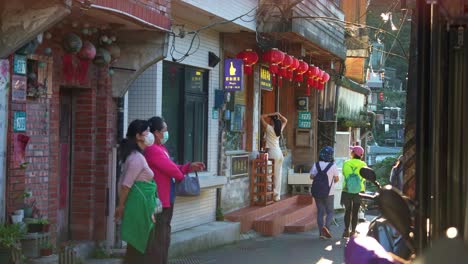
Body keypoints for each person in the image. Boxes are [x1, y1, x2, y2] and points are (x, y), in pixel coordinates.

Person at [144, 116, 205, 264]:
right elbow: (171, 169)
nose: (166, 133)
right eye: (164, 130)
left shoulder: (161, 148)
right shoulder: (152, 150)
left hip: (167, 197)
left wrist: (188, 167)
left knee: (164, 234)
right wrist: (182, 174)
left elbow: (172, 167)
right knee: (161, 235)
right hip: (161, 200)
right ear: (156, 133)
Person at [115, 119, 157, 263]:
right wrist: (120, 207)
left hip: (141, 206)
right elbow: (126, 185)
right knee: (140, 246)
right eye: (147, 132)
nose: (150, 135)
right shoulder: (137, 158)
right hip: (138, 208)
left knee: (138, 246)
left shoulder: (135, 156)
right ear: (139, 136)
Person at [310, 146, 340, 239]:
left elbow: (311, 176)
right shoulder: (333, 166)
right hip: (329, 192)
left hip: (317, 191)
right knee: (330, 212)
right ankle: (326, 228)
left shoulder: (316, 164)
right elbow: (337, 179)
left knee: (320, 212)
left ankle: (321, 233)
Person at [341, 145, 367, 238]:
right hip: (359, 191)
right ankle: (353, 231)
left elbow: (344, 174)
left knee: (347, 211)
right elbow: (364, 178)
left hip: (347, 190)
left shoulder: (347, 163)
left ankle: (346, 230)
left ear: (353, 153)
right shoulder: (363, 164)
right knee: (355, 211)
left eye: (352, 151)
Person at [261, 112, 287, 202]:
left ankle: (270, 192)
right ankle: (276, 196)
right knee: (278, 175)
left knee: (268, 172)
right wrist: (279, 115)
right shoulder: (279, 129)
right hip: (279, 153)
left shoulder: (269, 128)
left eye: (271, 120)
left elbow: (261, 117)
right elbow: (285, 121)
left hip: (273, 152)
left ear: (272, 121)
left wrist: (270, 114)